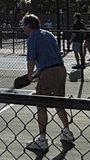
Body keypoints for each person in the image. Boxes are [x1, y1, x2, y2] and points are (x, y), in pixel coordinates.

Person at [21, 13, 72, 152]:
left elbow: (31, 60)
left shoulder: (32, 38)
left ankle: (42, 140)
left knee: (41, 105)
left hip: (48, 73)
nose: (23, 27)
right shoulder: (48, 34)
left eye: (24, 24)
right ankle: (67, 132)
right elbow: (50, 56)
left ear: (29, 25)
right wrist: (39, 72)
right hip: (61, 70)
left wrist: (29, 76)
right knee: (59, 103)